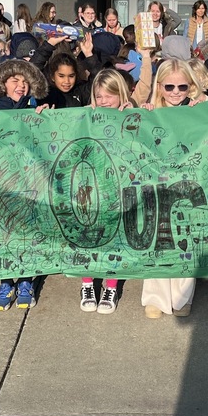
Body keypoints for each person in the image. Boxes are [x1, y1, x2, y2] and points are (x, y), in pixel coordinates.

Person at [139, 58, 207, 319]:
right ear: (160, 86)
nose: (176, 92)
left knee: (186, 236)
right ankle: (155, 296)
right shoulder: (150, 111)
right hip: (157, 183)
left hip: (190, 182)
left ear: (191, 85)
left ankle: (182, 296)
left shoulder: (200, 107)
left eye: (182, 86)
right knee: (157, 236)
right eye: (169, 87)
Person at [0, 58, 49, 311]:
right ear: (2, 83)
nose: (21, 85)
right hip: (0, 179)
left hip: (28, 179)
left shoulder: (34, 108)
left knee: (26, 229)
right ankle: (5, 282)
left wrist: (45, 118)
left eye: (25, 81)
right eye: (15, 80)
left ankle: (25, 281)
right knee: (3, 230)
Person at [78, 69, 134, 314]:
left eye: (109, 95)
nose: (103, 101)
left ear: (121, 94)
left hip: (119, 187)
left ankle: (111, 285)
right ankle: (87, 283)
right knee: (87, 233)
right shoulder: (87, 116)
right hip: (90, 185)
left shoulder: (131, 114)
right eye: (99, 96)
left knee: (116, 235)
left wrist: (137, 112)